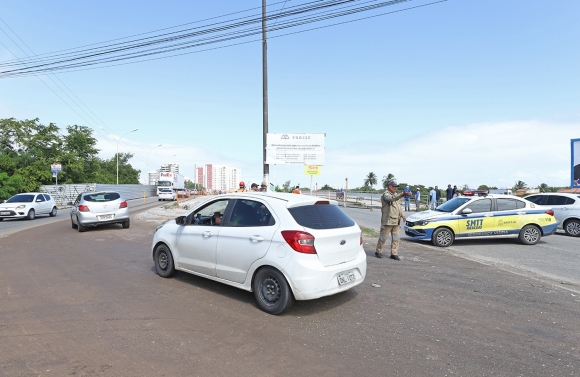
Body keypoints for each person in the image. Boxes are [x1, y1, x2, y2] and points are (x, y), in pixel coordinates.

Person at [375, 180, 408, 260]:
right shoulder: (386, 195)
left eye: (396, 187)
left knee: (396, 238)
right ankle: (378, 251)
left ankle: (394, 253)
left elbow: (399, 207)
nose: (395, 188)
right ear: (389, 187)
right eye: (394, 187)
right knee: (383, 237)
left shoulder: (396, 195)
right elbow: (391, 199)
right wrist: (402, 195)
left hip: (396, 221)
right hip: (388, 221)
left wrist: (403, 215)